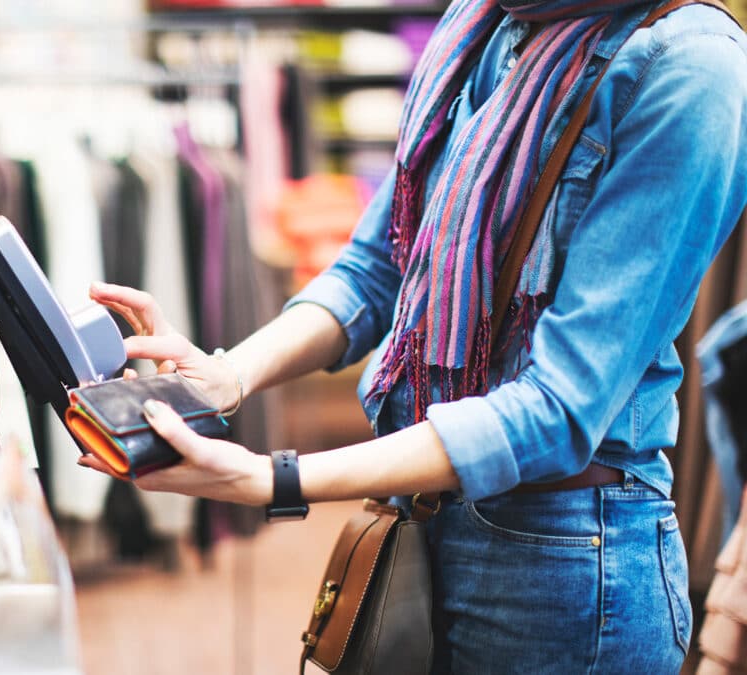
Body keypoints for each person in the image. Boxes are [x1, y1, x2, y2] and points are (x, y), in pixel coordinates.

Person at [78, 0, 747, 671]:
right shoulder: (483, 26)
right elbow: (380, 265)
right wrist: (229, 374)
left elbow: (559, 407)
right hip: (426, 517)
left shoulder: (691, 69)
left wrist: (274, 478)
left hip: (567, 570)